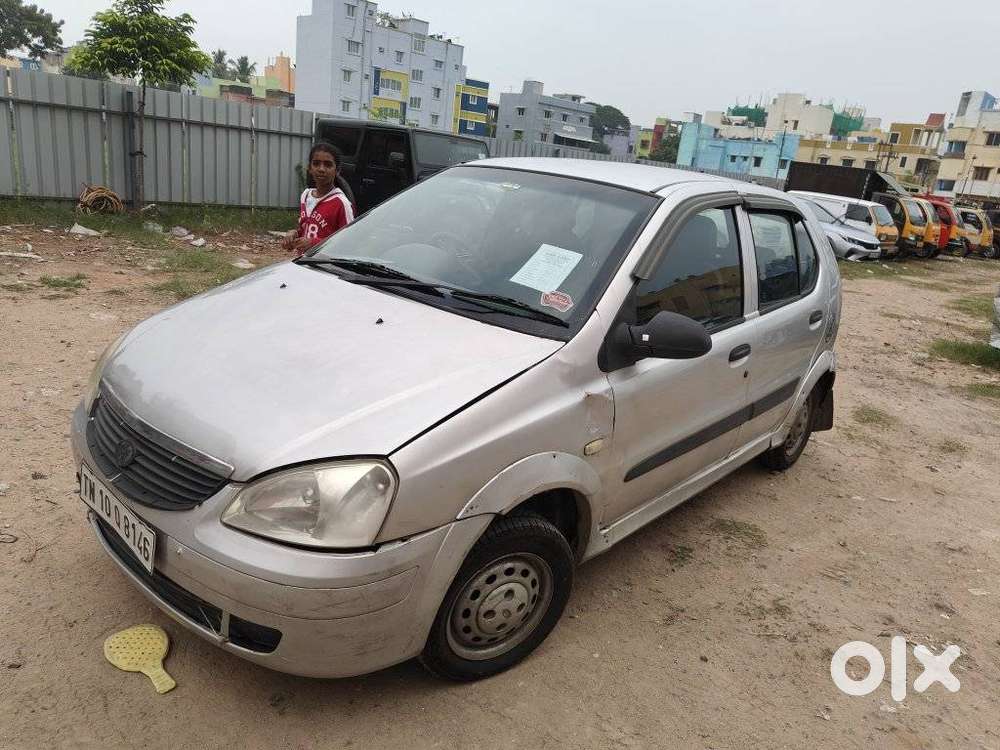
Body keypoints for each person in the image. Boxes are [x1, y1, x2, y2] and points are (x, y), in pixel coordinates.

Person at [282, 142, 354, 253]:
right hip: (304, 263)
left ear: (337, 171)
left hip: (325, 266)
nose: (321, 169)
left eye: (328, 165)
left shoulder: (341, 203)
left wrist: (313, 243)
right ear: (310, 168)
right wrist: (294, 235)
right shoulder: (305, 196)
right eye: (316, 164)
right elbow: (305, 228)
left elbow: (348, 242)